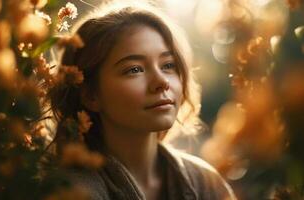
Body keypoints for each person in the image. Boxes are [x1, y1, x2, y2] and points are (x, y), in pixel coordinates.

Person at [48, 1, 236, 199]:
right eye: (134, 69)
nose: (162, 82)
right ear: (90, 95)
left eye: (168, 65)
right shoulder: (72, 192)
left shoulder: (206, 183)